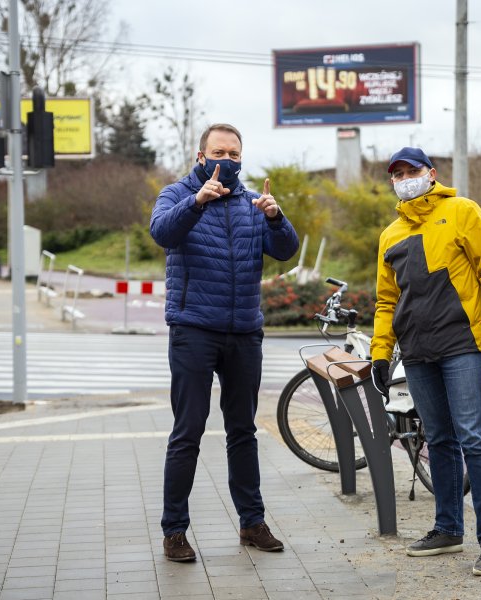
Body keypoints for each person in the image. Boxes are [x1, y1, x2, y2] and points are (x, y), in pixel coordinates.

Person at [150, 123, 300, 562]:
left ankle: (252, 524)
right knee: (188, 432)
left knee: (243, 431)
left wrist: (276, 216)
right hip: (194, 329)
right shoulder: (176, 194)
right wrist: (197, 202)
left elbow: (285, 249)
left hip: (244, 332)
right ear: (201, 156)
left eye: (235, 154)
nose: (228, 161)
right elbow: (161, 233)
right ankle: (174, 531)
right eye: (220, 152)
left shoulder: (252, 200)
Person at [369, 147, 481, 577]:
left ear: (431, 174)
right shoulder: (390, 235)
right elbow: (386, 299)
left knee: (475, 440)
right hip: (416, 353)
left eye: (411, 170)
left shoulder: (462, 211)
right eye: (396, 173)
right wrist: (381, 353)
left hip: (462, 345)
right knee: (439, 441)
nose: (404, 177)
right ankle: (448, 528)